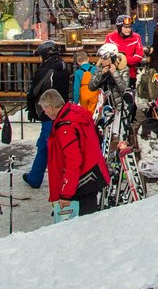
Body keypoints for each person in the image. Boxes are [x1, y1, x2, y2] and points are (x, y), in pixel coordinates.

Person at [42, 88, 109, 218]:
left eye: (44, 110)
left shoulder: (65, 126)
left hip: (83, 180)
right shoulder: (76, 113)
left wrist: (66, 194)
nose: (44, 113)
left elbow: (73, 160)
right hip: (93, 174)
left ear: (50, 108)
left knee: (83, 224)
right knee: (90, 217)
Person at [23, 40, 68, 189]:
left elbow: (33, 91)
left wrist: (32, 109)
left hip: (48, 111)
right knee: (44, 145)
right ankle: (35, 177)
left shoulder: (45, 71)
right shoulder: (64, 67)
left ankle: (62, 181)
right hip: (62, 111)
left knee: (53, 147)